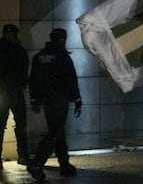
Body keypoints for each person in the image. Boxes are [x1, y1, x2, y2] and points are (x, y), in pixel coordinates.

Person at [27, 28, 82, 181]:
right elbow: (71, 80)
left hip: (46, 100)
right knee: (56, 132)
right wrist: (77, 100)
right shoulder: (62, 56)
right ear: (63, 39)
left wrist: (35, 100)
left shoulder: (39, 57)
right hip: (60, 99)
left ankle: (64, 165)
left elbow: (34, 80)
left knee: (57, 131)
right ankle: (37, 163)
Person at [0, 24, 29, 169]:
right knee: (19, 125)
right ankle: (22, 155)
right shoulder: (18, 50)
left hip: (9, 91)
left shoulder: (17, 49)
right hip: (9, 91)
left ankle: (23, 154)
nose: (15, 37)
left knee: (18, 125)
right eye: (13, 34)